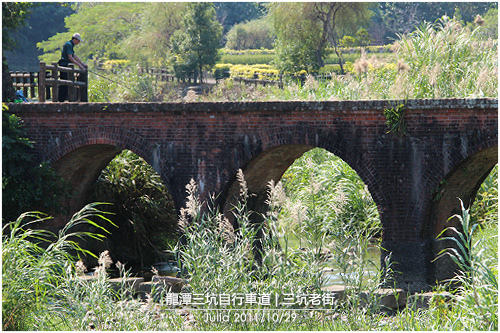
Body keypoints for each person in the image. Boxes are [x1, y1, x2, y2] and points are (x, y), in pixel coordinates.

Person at [58, 33, 88, 101]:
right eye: (78, 40)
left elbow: (74, 55)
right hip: (64, 65)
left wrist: (82, 63)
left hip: (67, 65)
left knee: (67, 82)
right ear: (75, 39)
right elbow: (70, 57)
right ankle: (61, 99)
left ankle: (64, 98)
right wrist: (79, 65)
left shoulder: (70, 45)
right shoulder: (68, 44)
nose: (79, 42)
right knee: (64, 83)